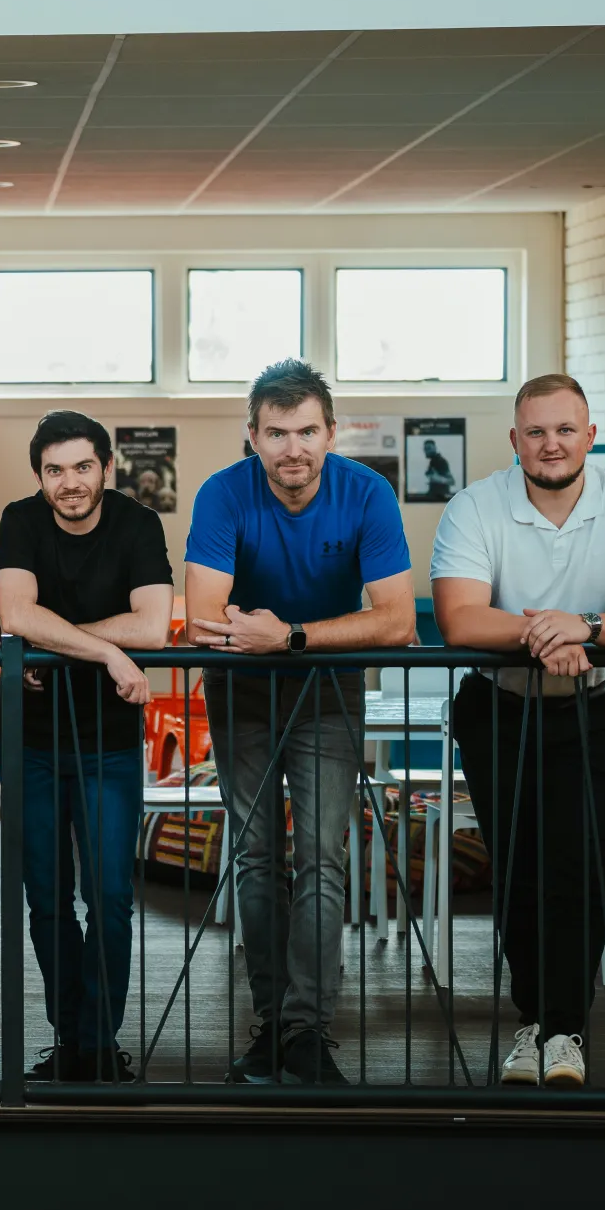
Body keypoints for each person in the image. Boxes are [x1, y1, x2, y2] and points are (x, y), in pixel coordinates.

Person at [431, 374, 605, 1088]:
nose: (551, 444)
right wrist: (552, 632)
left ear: (589, 436)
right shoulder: (477, 504)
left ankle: (564, 1028)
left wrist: (590, 627)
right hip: (499, 709)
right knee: (517, 872)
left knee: (582, 871)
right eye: (536, 431)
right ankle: (533, 1021)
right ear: (515, 440)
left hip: (593, 709)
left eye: (565, 429)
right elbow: (459, 618)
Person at [185, 359, 415, 1086]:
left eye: (307, 430)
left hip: (326, 689)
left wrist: (289, 636)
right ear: (250, 436)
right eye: (277, 432)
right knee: (255, 856)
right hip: (241, 693)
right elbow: (202, 617)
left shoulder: (366, 493)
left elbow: (400, 621)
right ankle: (269, 1025)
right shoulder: (223, 493)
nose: (293, 448)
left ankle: (307, 1028)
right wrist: (264, 638)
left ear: (331, 432)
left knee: (322, 857)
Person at [0, 411, 172, 1083]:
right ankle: (70, 1035)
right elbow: (13, 612)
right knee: (45, 898)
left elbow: (153, 626)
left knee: (109, 898)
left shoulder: (136, 523)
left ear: (107, 466)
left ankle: (99, 1042)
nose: (68, 483)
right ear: (40, 474)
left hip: (108, 744)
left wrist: (56, 642)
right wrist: (103, 652)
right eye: (54, 470)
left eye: (81, 467)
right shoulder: (21, 520)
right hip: (31, 741)